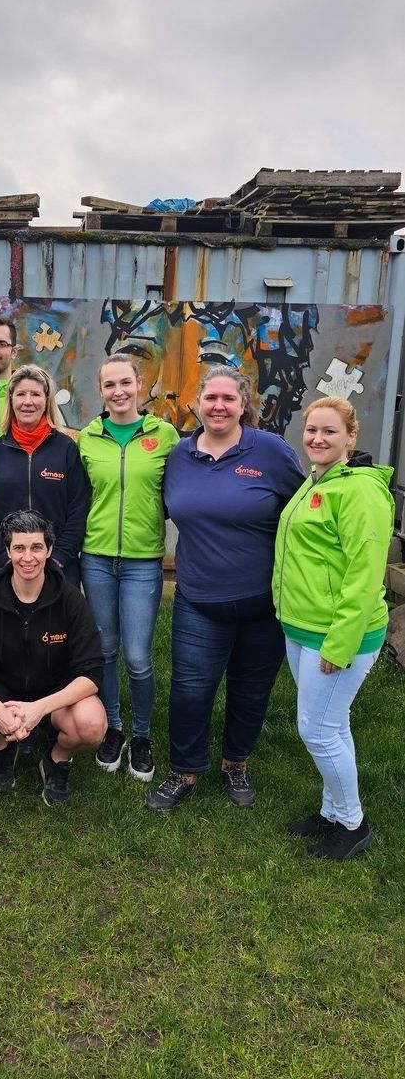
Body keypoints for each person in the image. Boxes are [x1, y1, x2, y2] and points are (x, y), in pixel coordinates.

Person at [146, 366, 304, 814]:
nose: (218, 406)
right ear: (197, 403)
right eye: (210, 398)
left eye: (228, 399)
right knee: (191, 689)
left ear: (243, 404)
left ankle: (236, 764)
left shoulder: (271, 452)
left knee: (251, 689)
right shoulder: (178, 455)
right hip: (199, 598)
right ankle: (184, 770)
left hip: (264, 602)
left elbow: (305, 509)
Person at [273, 396, 393, 860]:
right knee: (331, 724)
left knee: (317, 730)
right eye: (311, 431)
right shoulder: (317, 479)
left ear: (351, 437)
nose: (318, 439)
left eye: (329, 432)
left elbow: (365, 578)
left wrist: (339, 644)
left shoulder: (360, 491)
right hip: (303, 628)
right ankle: (331, 811)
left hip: (338, 635)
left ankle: (353, 824)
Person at [0, 510, 106, 805]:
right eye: (19, 548)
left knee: (92, 723)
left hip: (55, 698)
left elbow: (92, 673)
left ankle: (57, 759)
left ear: (49, 550)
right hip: (2, 693)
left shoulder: (71, 599)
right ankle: (2, 747)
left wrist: (39, 708)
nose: (28, 557)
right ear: (8, 551)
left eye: (36, 547)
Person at [78, 355, 179, 783]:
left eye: (125, 382)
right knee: (105, 650)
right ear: (100, 391)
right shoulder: (87, 439)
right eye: (109, 385)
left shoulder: (165, 435)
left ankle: (141, 734)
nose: (118, 392)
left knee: (138, 657)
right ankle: (114, 727)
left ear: (140, 385)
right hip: (96, 558)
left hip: (142, 560)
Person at [0, 364, 90, 586]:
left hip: (59, 570)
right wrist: (3, 559)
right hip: (8, 572)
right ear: (11, 400)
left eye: (35, 394)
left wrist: (58, 559)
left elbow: (78, 511)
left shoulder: (66, 449)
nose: (28, 402)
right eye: (21, 394)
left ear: (46, 400)